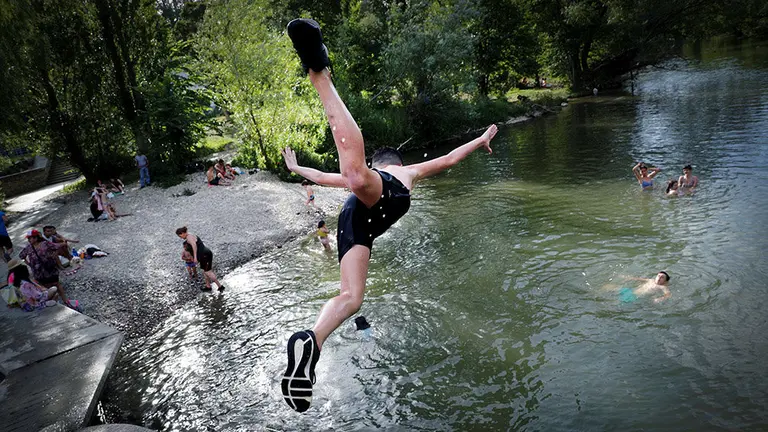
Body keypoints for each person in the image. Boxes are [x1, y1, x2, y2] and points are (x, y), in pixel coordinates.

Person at [280, 18, 499, 413]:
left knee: (352, 298)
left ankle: (312, 341)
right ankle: (320, 72)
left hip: (354, 221)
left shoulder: (365, 177)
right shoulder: (404, 170)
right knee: (353, 175)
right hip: (375, 199)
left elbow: (319, 175)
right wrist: (480, 139)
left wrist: (297, 169)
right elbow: (449, 158)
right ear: (393, 161)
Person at [18, 229, 70, 302]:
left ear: (36, 238)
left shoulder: (45, 244)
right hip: (38, 272)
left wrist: (55, 254)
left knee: (57, 284)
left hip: (49, 268)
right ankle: (53, 301)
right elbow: (21, 256)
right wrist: (29, 264)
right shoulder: (28, 248)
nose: (29, 240)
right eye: (28, 238)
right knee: (45, 287)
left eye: (30, 238)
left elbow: (56, 247)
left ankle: (65, 300)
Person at [7, 259, 72, 311]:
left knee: (54, 293)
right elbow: (35, 296)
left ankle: (49, 305)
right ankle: (45, 305)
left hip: (26, 301)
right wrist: (44, 292)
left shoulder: (13, 278)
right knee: (54, 290)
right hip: (34, 302)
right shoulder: (25, 283)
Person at [175, 226, 224, 291]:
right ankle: (208, 286)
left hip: (204, 255)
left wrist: (195, 257)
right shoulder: (190, 235)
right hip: (204, 254)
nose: (181, 238)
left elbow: (194, 246)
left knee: (208, 272)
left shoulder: (189, 238)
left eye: (180, 236)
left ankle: (220, 287)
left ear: (182, 233)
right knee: (205, 271)